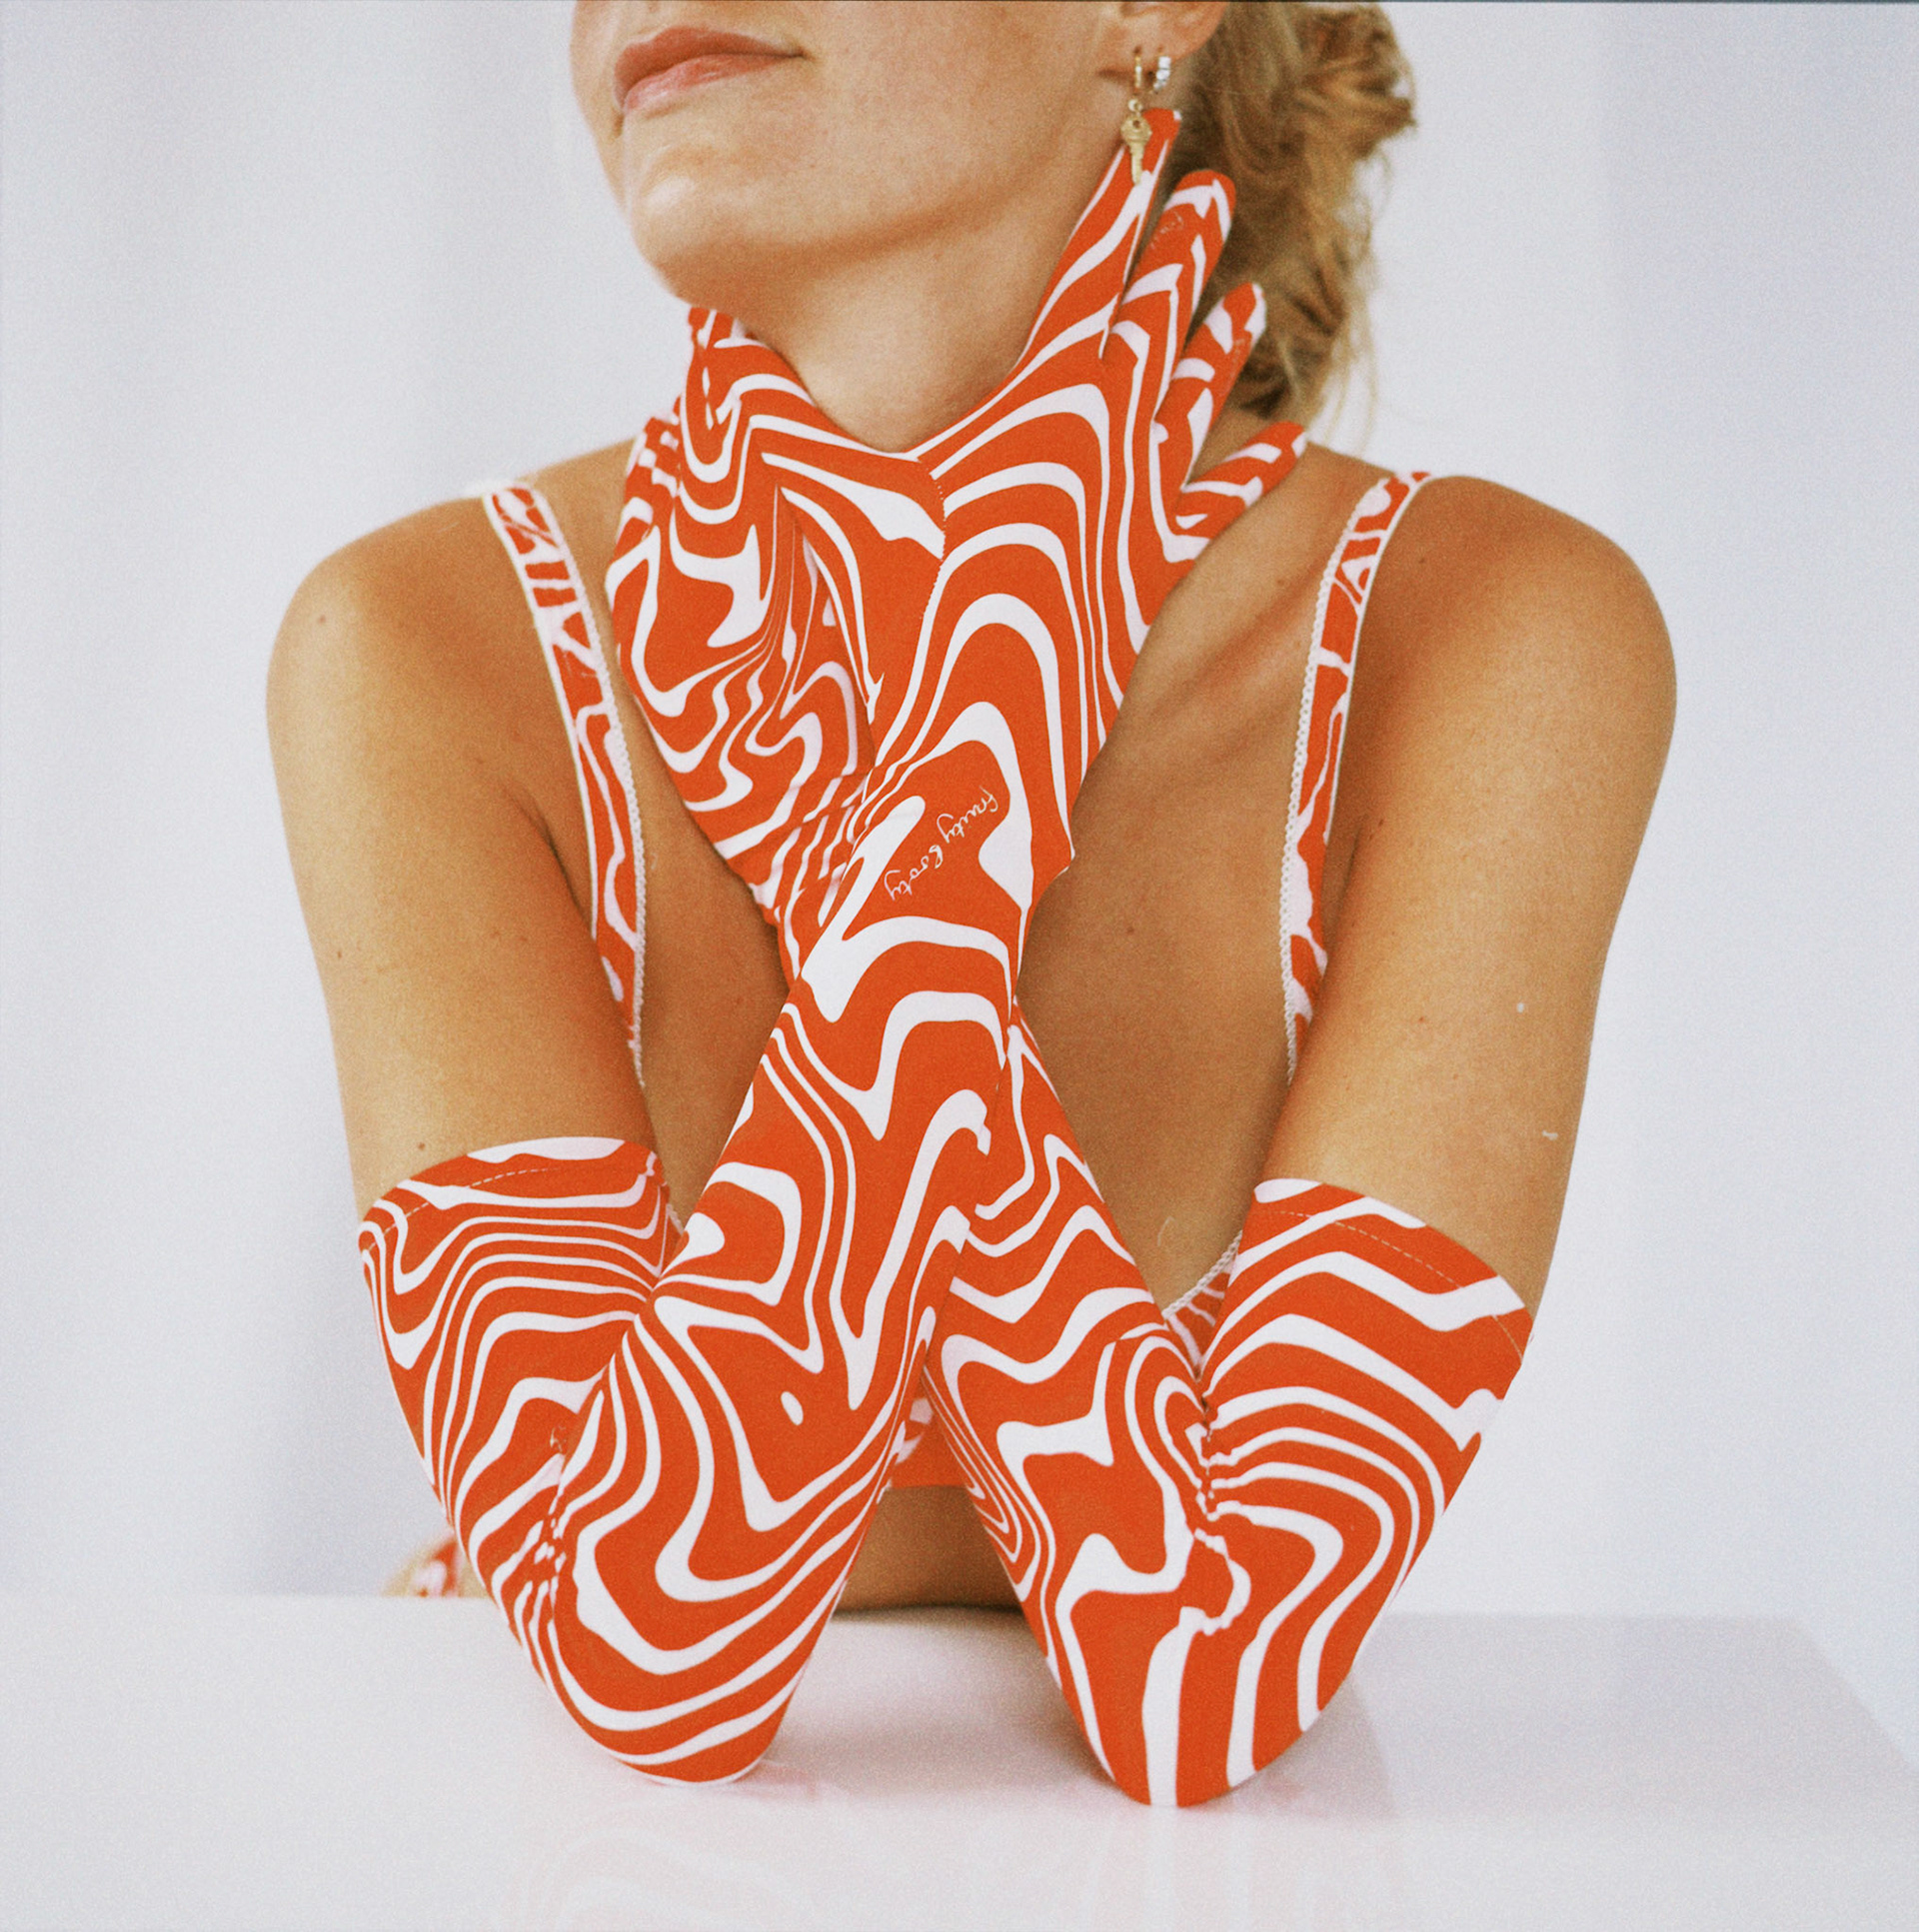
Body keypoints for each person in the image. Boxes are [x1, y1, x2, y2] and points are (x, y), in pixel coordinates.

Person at [268, 0, 1672, 1807]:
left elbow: (1210, 1666)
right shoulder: (420, 649)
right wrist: (982, 749)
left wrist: (960, 749)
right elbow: (646, 1649)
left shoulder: (1492, 639)